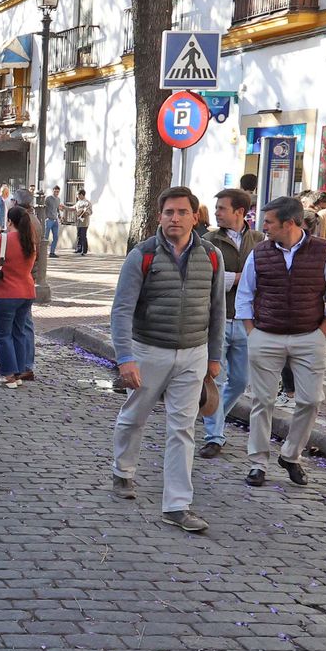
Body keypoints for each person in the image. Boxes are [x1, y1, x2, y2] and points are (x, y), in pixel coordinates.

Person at [108, 187, 224, 534]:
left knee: (183, 428)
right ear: (160, 217)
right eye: (169, 212)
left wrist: (214, 357)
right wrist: (125, 358)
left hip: (193, 353)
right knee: (135, 416)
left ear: (195, 216)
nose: (175, 218)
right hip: (149, 351)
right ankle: (123, 471)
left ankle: (177, 505)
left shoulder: (212, 256)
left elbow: (217, 310)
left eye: (182, 212)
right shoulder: (142, 255)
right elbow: (122, 310)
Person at [235, 196, 326, 488]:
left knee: (310, 400)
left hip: (308, 336)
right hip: (266, 335)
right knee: (263, 401)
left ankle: (291, 454)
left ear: (288, 223)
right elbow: (245, 294)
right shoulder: (259, 253)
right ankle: (258, 462)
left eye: (269, 221)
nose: (264, 226)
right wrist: (252, 332)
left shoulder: (323, 251)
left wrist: (321, 331)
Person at [198, 188, 265, 458]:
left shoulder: (259, 240)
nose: (216, 213)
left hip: (248, 322)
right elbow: (209, 279)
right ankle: (214, 436)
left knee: (240, 381)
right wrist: (239, 279)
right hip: (218, 319)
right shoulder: (208, 240)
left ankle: (213, 415)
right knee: (219, 380)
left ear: (239, 211)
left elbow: (264, 277)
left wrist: (237, 279)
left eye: (222, 208)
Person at [0, 205, 38, 387]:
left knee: (1, 334)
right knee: (18, 332)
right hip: (26, 291)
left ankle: (8, 374)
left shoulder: (3, 239)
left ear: (10, 221)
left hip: (5, 292)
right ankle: (18, 371)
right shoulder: (30, 241)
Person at [42, 185, 63, 258]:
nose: (56, 193)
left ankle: (52, 252)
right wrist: (45, 217)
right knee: (46, 237)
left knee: (56, 237)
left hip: (55, 220)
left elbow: (57, 209)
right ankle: (43, 252)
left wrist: (59, 217)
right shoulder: (48, 199)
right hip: (49, 219)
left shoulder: (58, 199)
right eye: (55, 191)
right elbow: (44, 208)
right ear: (53, 191)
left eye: (57, 191)